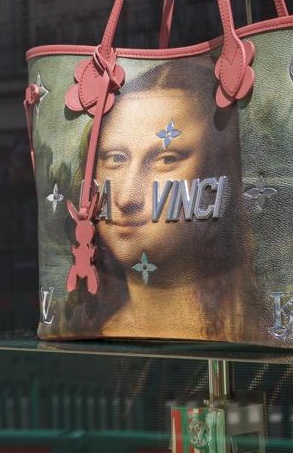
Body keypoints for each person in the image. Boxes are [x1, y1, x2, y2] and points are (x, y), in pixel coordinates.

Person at [83, 59, 254, 342]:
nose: (127, 198)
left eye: (166, 159)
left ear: (221, 170)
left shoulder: (253, 325)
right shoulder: (85, 321)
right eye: (115, 158)